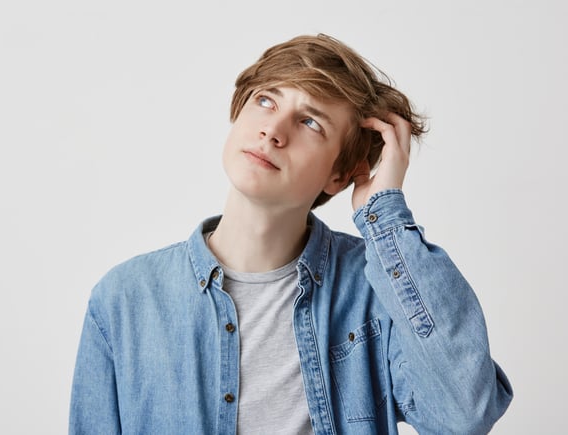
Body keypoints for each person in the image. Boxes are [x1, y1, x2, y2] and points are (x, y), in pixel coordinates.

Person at [69, 33, 513, 434]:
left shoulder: (374, 292)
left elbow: (465, 414)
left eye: (310, 122)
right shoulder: (124, 300)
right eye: (266, 100)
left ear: (339, 174)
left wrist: (386, 218)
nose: (273, 130)